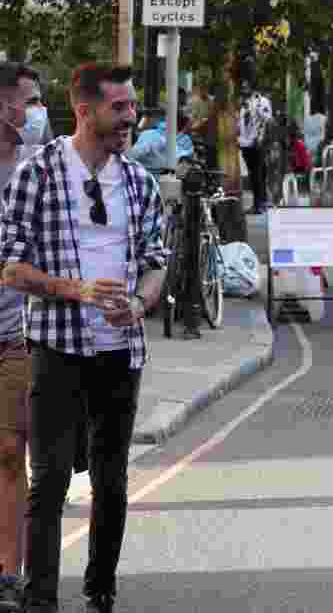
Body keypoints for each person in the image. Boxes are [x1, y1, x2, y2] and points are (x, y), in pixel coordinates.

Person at [0, 63, 166, 613]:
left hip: (121, 352)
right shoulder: (38, 174)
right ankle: (40, 597)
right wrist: (77, 290)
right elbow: (10, 267)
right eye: (119, 107)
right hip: (55, 347)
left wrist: (139, 303)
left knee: (111, 481)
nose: (130, 116)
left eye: (132, 106)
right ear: (86, 110)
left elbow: (156, 263)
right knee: (47, 480)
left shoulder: (140, 182)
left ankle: (101, 589)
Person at [0, 62, 54, 612]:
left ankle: (7, 573)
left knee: (11, 452)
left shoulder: (41, 171)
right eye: (30, 100)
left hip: (16, 335)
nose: (37, 111)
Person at [126, 100, 195, 173]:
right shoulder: (186, 140)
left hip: (153, 174)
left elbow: (132, 156)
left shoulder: (151, 135)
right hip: (171, 175)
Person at [237, 80, 273, 214]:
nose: (243, 89)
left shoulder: (261, 101)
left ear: (252, 88)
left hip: (257, 142)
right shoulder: (243, 103)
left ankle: (260, 203)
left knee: (258, 174)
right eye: (243, 87)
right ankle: (257, 203)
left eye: (246, 87)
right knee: (253, 175)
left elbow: (267, 119)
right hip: (245, 143)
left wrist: (261, 138)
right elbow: (241, 123)